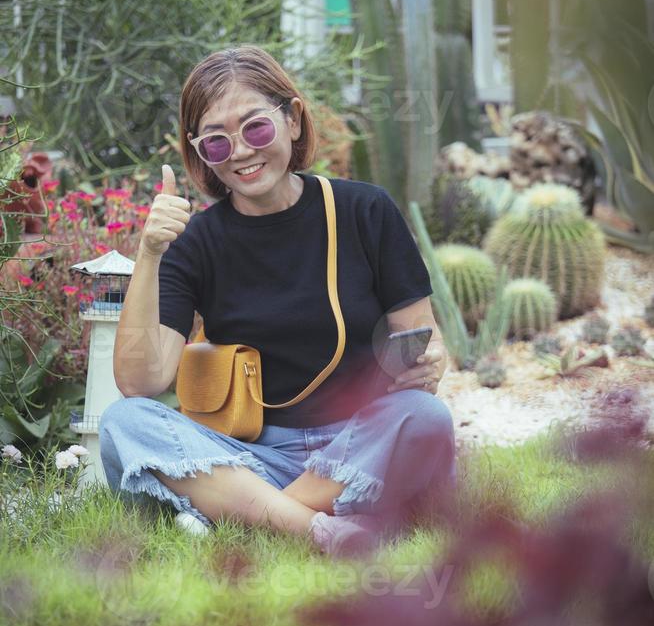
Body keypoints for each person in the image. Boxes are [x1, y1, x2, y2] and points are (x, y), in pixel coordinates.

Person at [99, 44, 456, 558]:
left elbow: (420, 340)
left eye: (256, 128)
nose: (240, 152)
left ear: (292, 120)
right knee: (124, 423)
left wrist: (428, 362)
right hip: (247, 453)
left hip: (355, 444)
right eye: (216, 143)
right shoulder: (195, 241)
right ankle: (324, 530)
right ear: (200, 153)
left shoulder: (364, 210)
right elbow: (140, 382)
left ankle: (251, 514)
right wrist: (150, 252)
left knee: (425, 416)